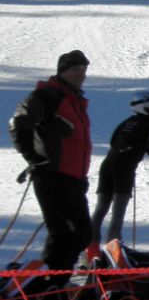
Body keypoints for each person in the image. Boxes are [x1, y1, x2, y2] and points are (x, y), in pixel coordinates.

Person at [9, 50, 92, 271]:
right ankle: (48, 290)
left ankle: (54, 285)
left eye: (84, 69)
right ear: (62, 71)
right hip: (52, 176)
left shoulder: (74, 100)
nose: (80, 74)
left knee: (82, 234)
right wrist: (35, 159)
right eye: (75, 69)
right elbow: (18, 123)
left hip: (72, 179)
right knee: (64, 235)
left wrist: (81, 177)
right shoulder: (49, 95)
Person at [87, 91, 149, 261]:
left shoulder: (127, 122)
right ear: (146, 105)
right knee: (117, 212)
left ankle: (90, 254)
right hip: (124, 168)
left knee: (100, 209)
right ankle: (113, 256)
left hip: (108, 164)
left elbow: (113, 141)